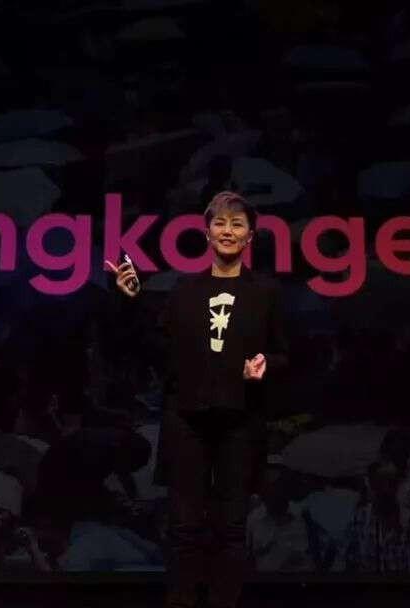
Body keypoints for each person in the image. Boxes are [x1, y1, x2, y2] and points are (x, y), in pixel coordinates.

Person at [105, 191, 290, 608]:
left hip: (240, 416)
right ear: (207, 233)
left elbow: (283, 352)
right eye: (220, 223)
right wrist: (130, 302)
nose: (228, 231)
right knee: (184, 525)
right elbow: (156, 349)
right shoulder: (185, 290)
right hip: (187, 417)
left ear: (250, 236)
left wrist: (266, 364)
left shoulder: (266, 292)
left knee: (231, 526)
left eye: (237, 224)